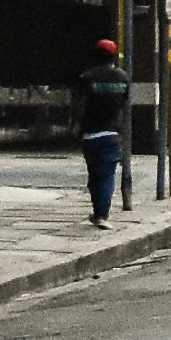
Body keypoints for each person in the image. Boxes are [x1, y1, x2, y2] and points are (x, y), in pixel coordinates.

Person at [75, 40, 131, 225]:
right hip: (112, 134)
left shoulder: (87, 77)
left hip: (91, 134)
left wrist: (77, 127)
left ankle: (98, 212)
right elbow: (123, 104)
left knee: (94, 175)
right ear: (113, 56)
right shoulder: (122, 78)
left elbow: (80, 107)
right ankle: (102, 214)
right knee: (107, 174)